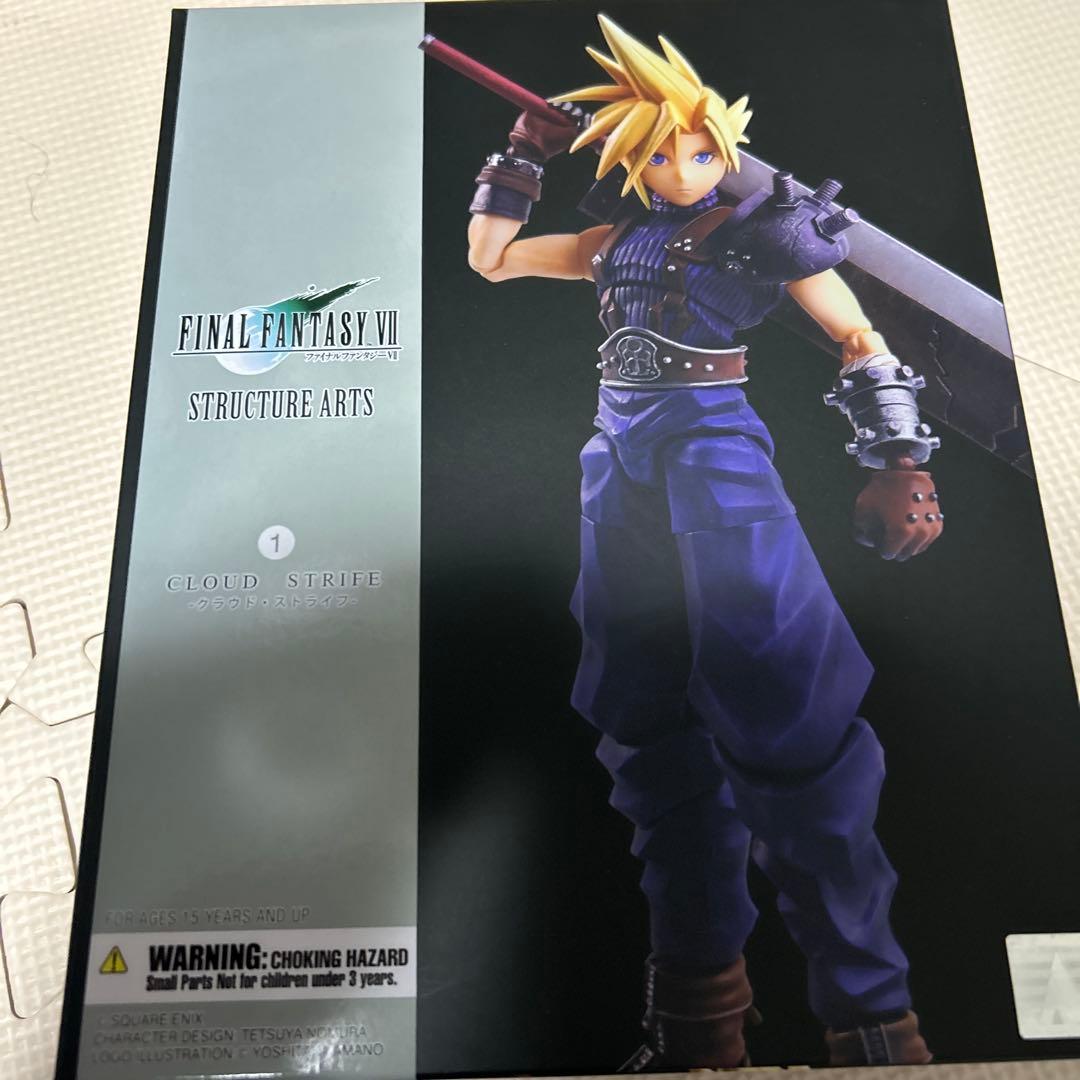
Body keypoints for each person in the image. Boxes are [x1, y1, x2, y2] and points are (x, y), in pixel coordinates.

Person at [467, 14, 941, 1070]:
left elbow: (859, 335)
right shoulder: (610, 243)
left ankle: (874, 1022)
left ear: (725, 147)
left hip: (717, 457)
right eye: (658, 155)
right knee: (647, 730)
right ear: (626, 162)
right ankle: (696, 1019)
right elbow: (492, 261)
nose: (681, 170)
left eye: (698, 151)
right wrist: (521, 156)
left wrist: (899, 459)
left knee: (793, 728)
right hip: (619, 461)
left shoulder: (763, 235)